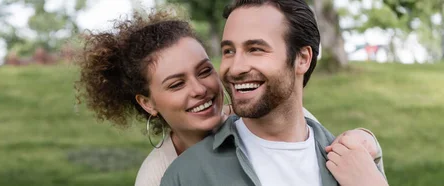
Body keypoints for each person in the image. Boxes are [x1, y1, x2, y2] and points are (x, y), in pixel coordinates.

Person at [75, 9, 383, 186]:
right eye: (176, 84)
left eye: (204, 70)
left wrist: (366, 140)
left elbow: (309, 130)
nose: (200, 89)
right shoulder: (163, 176)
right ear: (148, 102)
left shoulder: (265, 116)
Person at [160, 1, 387, 186]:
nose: (235, 67)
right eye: (229, 51)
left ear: (302, 59)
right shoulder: (187, 175)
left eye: (255, 49)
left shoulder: (356, 164)